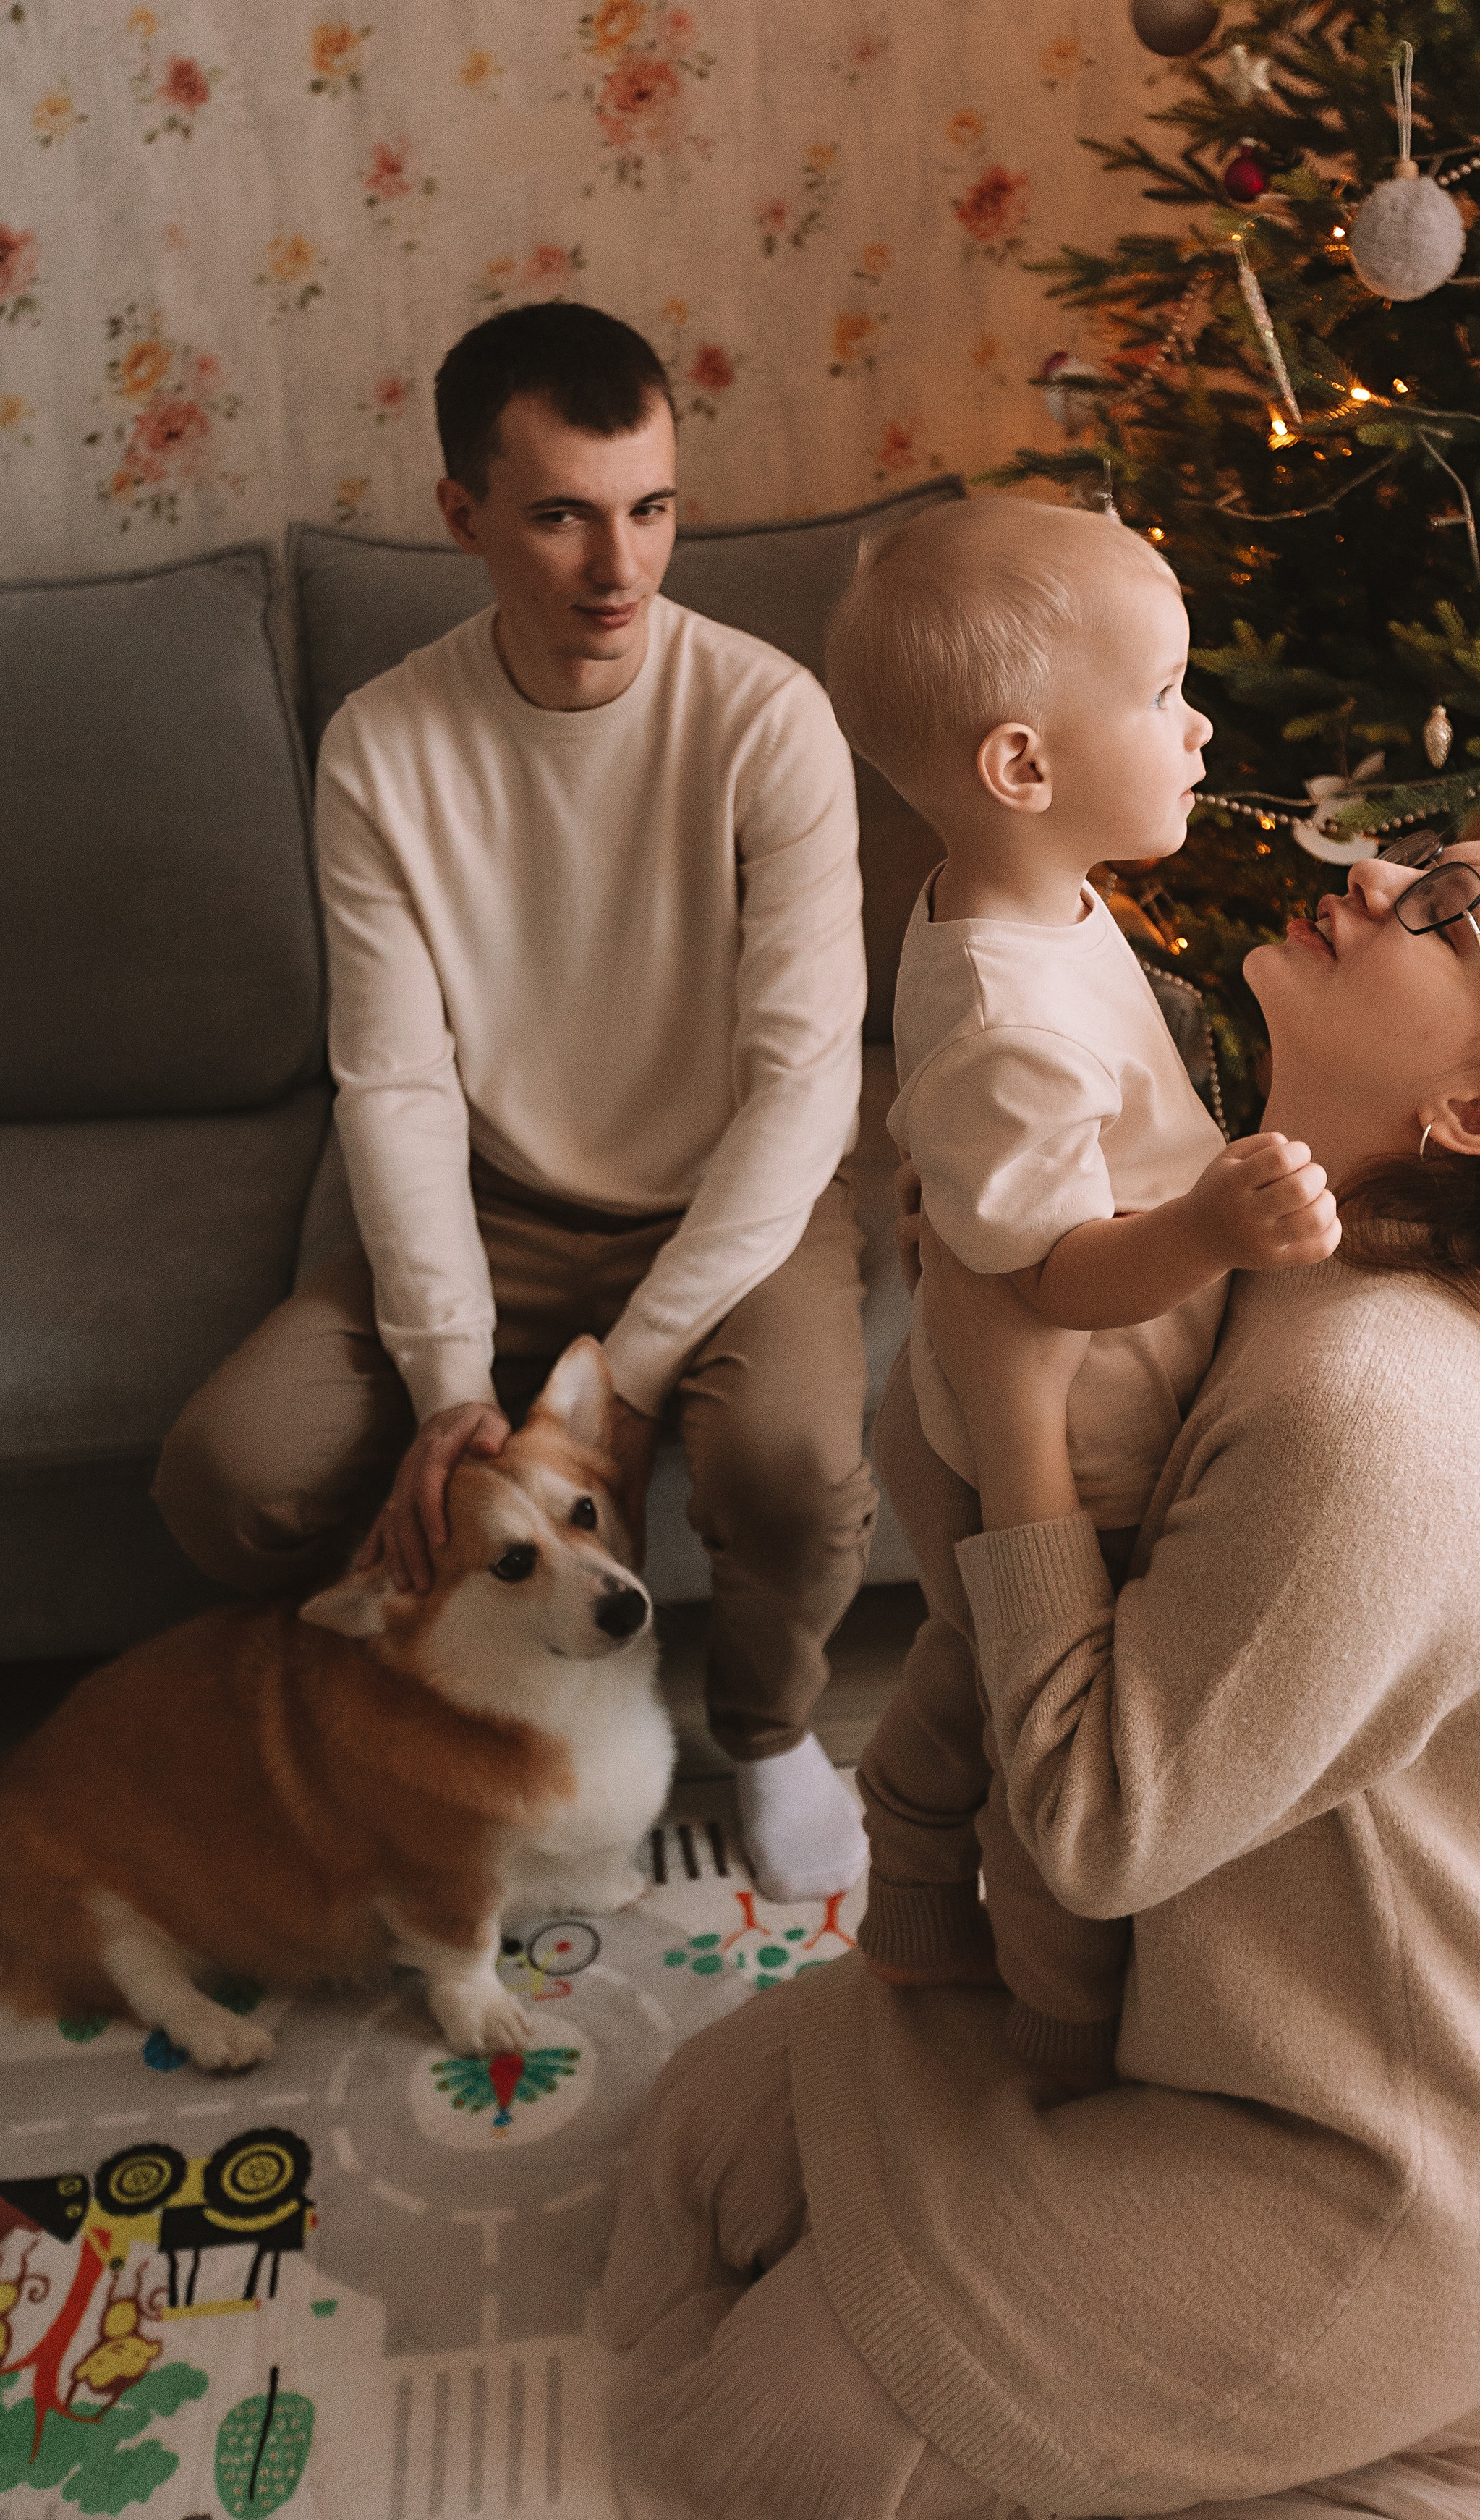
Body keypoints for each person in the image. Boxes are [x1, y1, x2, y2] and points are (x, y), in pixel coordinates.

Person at [597, 782, 1480, 2519]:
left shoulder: (1383, 1404)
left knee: (753, 2441)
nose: (1365, 878)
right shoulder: (1228, 1226)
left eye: (1439, 914)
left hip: (1375, 2186)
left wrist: (1020, 1400)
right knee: (699, 2143)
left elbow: (1094, 1828)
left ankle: (1340, 2397)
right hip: (1185, 2039)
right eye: (1413, 854)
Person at [154, 302, 875, 1900]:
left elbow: (802, 1086)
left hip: (733, 1207)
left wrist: (623, 1375)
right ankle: (435, 1699)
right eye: (560, 515)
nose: (618, 568)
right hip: (495, 1205)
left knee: (795, 1460)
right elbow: (395, 1084)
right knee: (230, 1470)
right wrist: (449, 1389)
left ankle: (762, 1734)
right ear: (463, 518)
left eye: (650, 510)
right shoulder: (383, 745)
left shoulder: (767, 719)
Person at [826, 496, 1339, 2076]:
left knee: (963, 1671)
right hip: (1079, 1454)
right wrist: (1210, 1235)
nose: (1197, 729)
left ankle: (905, 1892)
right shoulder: (1006, 1010)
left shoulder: (1025, 899)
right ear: (1020, 767)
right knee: (1044, 1750)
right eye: (1163, 693)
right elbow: (1044, 1277)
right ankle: (1059, 2023)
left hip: (1016, 1413)